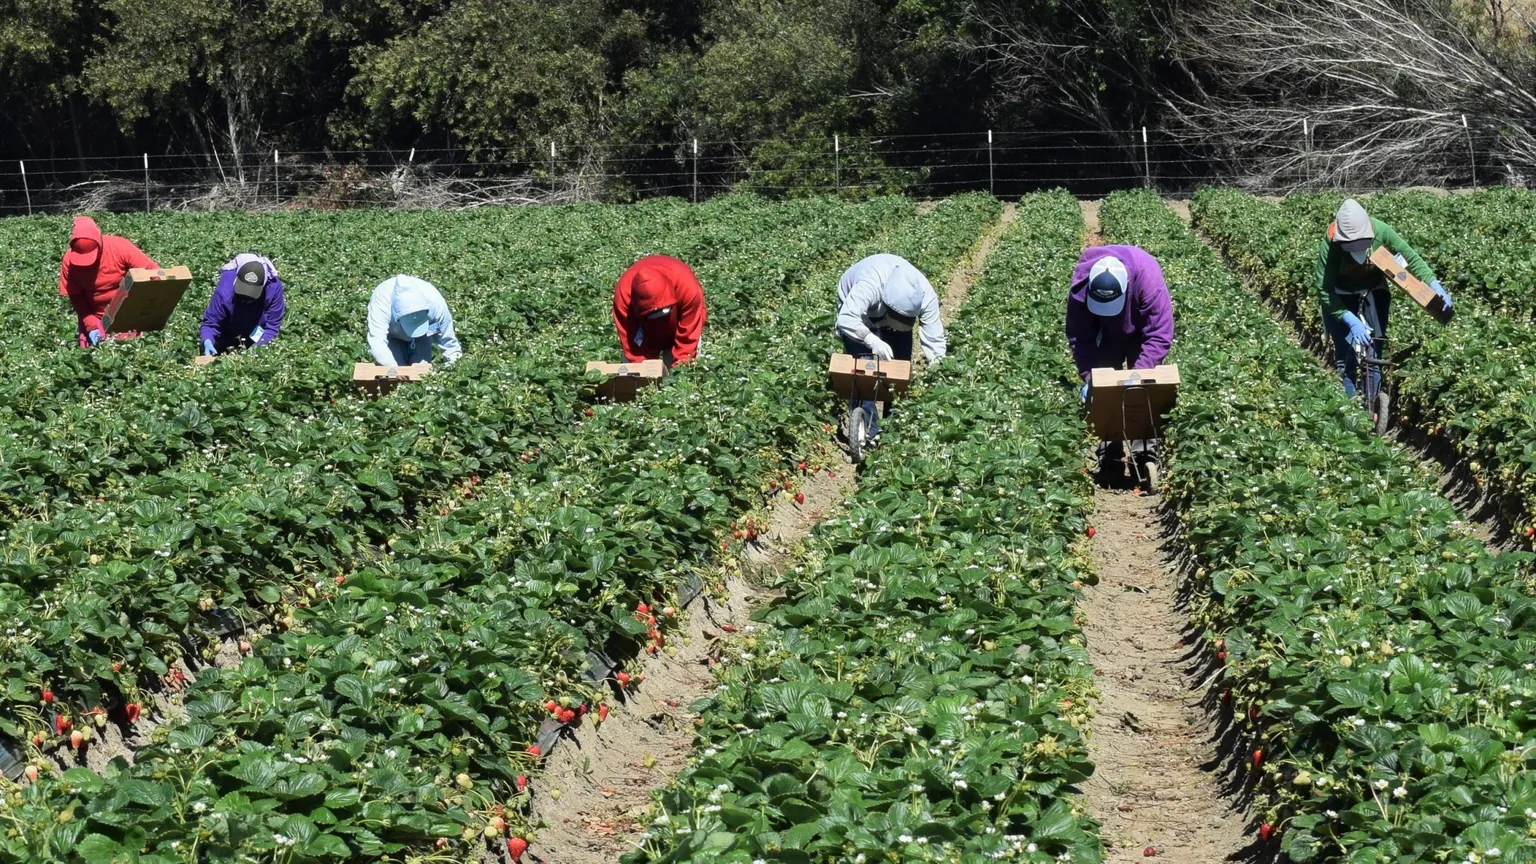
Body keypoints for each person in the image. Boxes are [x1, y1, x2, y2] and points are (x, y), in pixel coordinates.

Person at [1316, 198, 1452, 400]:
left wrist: (1433, 283)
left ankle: (1373, 405)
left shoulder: (1381, 230)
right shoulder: (1331, 243)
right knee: (1346, 355)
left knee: (1374, 351)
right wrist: (1349, 319)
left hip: (1373, 288)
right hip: (1341, 294)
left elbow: (1411, 258)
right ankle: (1349, 402)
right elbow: (1324, 289)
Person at [1065, 245, 1174, 479]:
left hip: (1140, 330)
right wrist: (1090, 376)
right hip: (1103, 333)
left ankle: (1143, 449)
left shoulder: (1148, 281)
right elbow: (1079, 336)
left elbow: (1159, 334)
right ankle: (1109, 447)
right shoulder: (1081, 288)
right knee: (1105, 387)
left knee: (1141, 390)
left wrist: (1136, 376)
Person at [834, 254, 946, 440]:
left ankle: (893, 428)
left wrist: (938, 369)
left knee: (899, 370)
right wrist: (871, 339)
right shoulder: (870, 285)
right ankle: (869, 431)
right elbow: (846, 318)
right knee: (862, 372)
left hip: (886, 311)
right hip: (858, 316)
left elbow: (935, 340)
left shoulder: (925, 294)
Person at [57, 216, 158, 348]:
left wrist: (145, 309)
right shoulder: (69, 261)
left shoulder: (120, 247)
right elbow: (76, 296)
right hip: (93, 316)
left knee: (129, 356)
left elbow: (153, 273)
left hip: (127, 315)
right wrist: (91, 324)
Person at [612, 255, 706, 367]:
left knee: (684, 366)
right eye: (653, 315)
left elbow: (688, 336)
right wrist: (643, 372)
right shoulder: (624, 297)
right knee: (634, 372)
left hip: (677, 325)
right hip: (644, 332)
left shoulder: (687, 288)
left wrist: (680, 369)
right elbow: (632, 344)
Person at [366, 275, 461, 370]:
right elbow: (377, 341)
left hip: (423, 336)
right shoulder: (381, 304)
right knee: (394, 373)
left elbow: (449, 342)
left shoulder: (436, 305)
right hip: (391, 335)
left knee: (420, 372)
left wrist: (453, 368)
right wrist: (393, 368)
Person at [199, 254, 286, 356]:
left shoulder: (273, 288)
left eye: (251, 296)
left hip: (256, 333)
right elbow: (211, 323)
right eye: (242, 294)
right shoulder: (225, 290)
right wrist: (207, 340)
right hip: (227, 331)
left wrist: (255, 350)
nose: (246, 300)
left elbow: (271, 327)